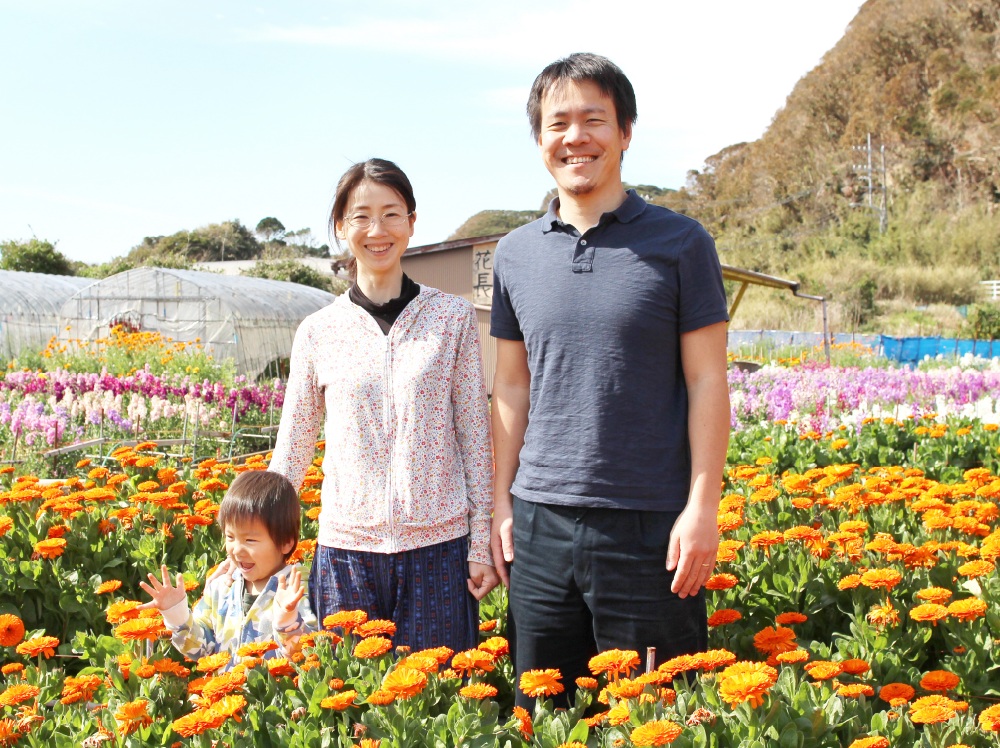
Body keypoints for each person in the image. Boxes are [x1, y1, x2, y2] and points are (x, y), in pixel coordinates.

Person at [489, 53, 731, 709]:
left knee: (653, 710)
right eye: (558, 122)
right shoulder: (514, 253)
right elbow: (512, 388)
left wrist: (702, 509)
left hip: (651, 524)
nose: (576, 137)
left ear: (624, 132)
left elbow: (709, 381)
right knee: (546, 711)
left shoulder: (681, 244)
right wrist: (502, 503)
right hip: (539, 525)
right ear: (541, 140)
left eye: (593, 119)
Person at [269, 158, 497, 653]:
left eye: (392, 214)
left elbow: (475, 438)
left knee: (438, 707)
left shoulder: (451, 319)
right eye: (361, 216)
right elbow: (293, 445)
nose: (378, 230)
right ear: (340, 228)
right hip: (345, 552)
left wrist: (480, 544)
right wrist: (259, 540)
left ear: (412, 222)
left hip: (438, 549)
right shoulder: (318, 331)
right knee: (352, 710)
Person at [139, 470, 316, 669]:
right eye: (230, 537)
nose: (237, 549)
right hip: (225, 698)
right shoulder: (222, 587)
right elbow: (200, 649)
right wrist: (176, 614)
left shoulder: (297, 588)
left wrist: (288, 623)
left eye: (250, 540)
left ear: (285, 542)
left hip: (274, 698)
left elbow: (309, 657)